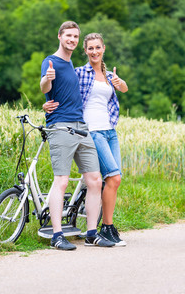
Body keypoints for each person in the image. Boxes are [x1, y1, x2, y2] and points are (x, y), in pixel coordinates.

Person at [44, 32, 128, 246]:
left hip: (109, 130)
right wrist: (47, 103)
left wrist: (121, 83)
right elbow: (60, 89)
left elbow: (123, 90)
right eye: (90, 48)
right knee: (113, 177)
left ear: (104, 48)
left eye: (97, 47)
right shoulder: (79, 71)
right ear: (85, 50)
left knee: (103, 180)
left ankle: (97, 230)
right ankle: (106, 228)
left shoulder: (110, 75)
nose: (94, 51)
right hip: (91, 129)